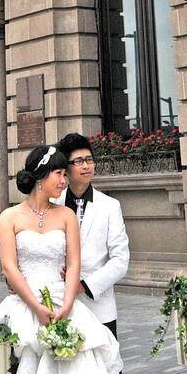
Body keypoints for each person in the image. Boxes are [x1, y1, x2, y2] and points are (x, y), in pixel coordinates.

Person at [0, 143, 123, 374]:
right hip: (24, 304)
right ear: (41, 177)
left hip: (64, 302)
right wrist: (36, 307)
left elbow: (73, 264)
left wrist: (68, 304)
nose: (64, 180)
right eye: (59, 174)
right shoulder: (8, 217)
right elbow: (9, 266)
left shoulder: (66, 215)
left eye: (64, 173)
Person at [56, 133, 130, 341]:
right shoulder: (53, 203)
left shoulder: (109, 206)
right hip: (59, 303)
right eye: (78, 161)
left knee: (105, 369)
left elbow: (120, 260)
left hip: (99, 306)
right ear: (66, 168)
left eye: (89, 160)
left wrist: (85, 285)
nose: (86, 166)